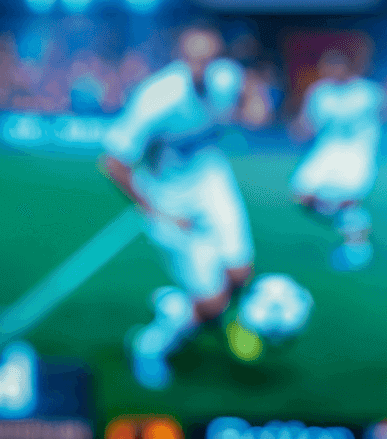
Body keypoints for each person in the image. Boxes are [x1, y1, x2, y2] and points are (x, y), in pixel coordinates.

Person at [100, 24, 265, 390]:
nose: (203, 68)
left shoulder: (226, 77)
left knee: (241, 274)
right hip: (170, 203)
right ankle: (149, 346)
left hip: (212, 180)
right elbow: (113, 162)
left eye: (210, 58)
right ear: (180, 59)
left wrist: (252, 103)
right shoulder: (157, 97)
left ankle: (182, 304)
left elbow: (248, 91)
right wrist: (158, 211)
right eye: (194, 59)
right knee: (211, 307)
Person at [290, 48, 385, 271]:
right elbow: (307, 123)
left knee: (349, 199)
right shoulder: (320, 92)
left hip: (357, 152)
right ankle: (352, 223)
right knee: (302, 196)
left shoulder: (367, 92)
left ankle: (357, 248)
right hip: (326, 151)